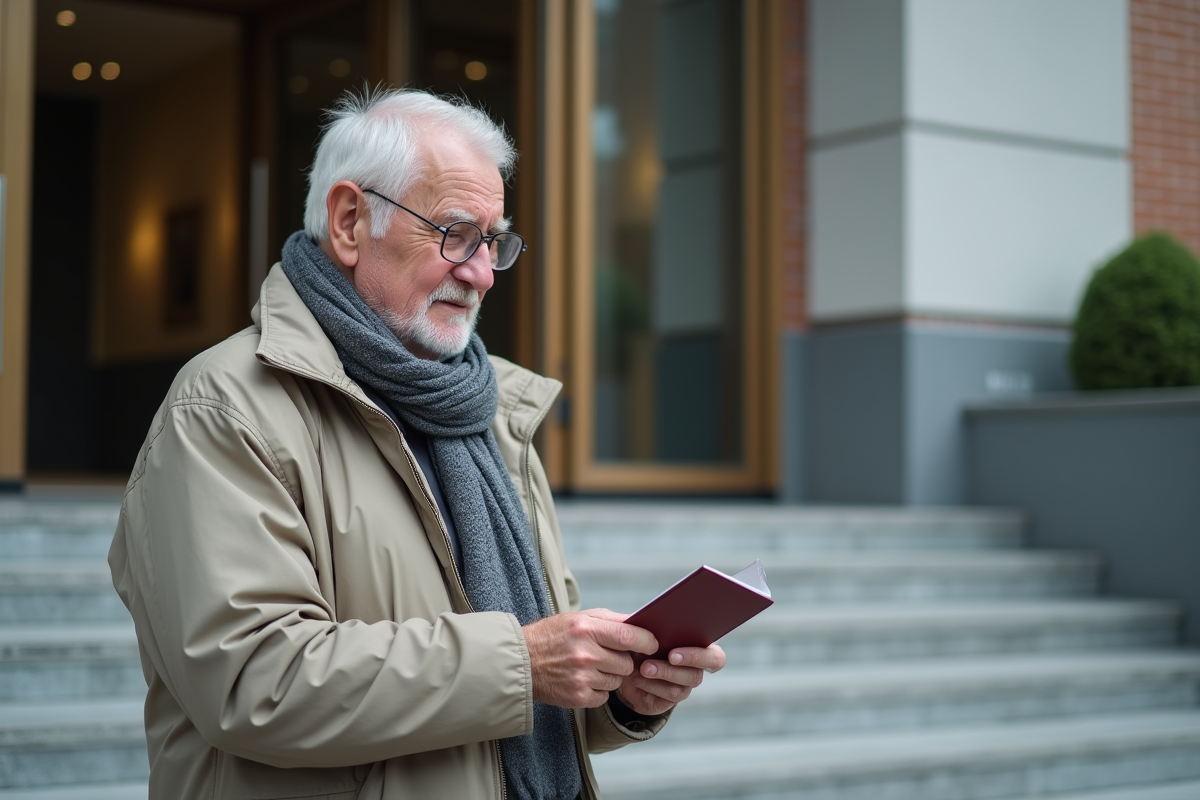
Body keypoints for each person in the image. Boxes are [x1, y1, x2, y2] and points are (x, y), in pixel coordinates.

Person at [108, 87, 725, 800]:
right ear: (349, 221)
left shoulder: (490, 410)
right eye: (456, 233)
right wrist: (522, 663)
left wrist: (622, 691)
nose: (482, 272)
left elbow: (525, 698)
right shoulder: (224, 406)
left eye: (494, 242)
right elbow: (252, 683)